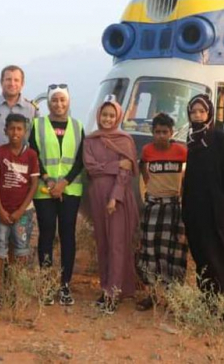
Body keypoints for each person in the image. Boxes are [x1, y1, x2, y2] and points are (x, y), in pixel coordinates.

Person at [182, 94, 224, 313]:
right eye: (193, 112)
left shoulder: (219, 138)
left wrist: (223, 204)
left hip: (218, 210)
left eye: (201, 111)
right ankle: (209, 303)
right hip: (196, 208)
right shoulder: (191, 140)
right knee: (203, 255)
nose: (197, 115)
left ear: (209, 113)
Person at [29, 84, 84, 306]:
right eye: (54, 100)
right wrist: (48, 180)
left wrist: (63, 183)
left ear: (68, 101)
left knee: (68, 235)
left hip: (70, 189)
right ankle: (46, 284)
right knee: (46, 234)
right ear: (48, 102)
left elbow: (80, 160)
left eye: (62, 100)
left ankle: (65, 285)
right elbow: (33, 154)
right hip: (45, 190)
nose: (58, 104)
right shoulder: (37, 125)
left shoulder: (78, 126)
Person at [83, 97, 138, 314]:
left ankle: (115, 292)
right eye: (104, 115)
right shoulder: (90, 140)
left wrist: (114, 197)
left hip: (118, 197)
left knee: (117, 244)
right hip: (97, 195)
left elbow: (126, 172)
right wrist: (115, 164)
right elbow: (91, 168)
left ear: (118, 117)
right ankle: (106, 288)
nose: (107, 119)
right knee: (103, 243)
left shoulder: (125, 140)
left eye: (111, 116)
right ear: (99, 116)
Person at [0, 113, 40, 311]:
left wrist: (20, 210)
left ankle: (17, 288)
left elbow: (33, 185)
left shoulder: (31, 155)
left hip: (23, 213)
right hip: (3, 210)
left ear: (25, 131)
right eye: (11, 129)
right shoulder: (0, 152)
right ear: (5, 131)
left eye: (19, 129)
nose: (15, 132)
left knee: (21, 249)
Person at [136, 112, 188, 311]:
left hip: (173, 207)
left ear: (171, 132)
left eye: (165, 132)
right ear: (152, 133)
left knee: (172, 252)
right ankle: (151, 295)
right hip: (153, 205)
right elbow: (143, 168)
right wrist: (149, 186)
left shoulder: (181, 151)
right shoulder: (147, 150)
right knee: (150, 250)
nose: (161, 136)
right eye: (157, 132)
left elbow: (187, 175)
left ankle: (172, 298)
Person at [0, 65, 38, 147]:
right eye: (8, 79)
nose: (12, 83)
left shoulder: (32, 110)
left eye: (16, 80)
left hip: (21, 155)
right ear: (1, 82)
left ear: (22, 84)